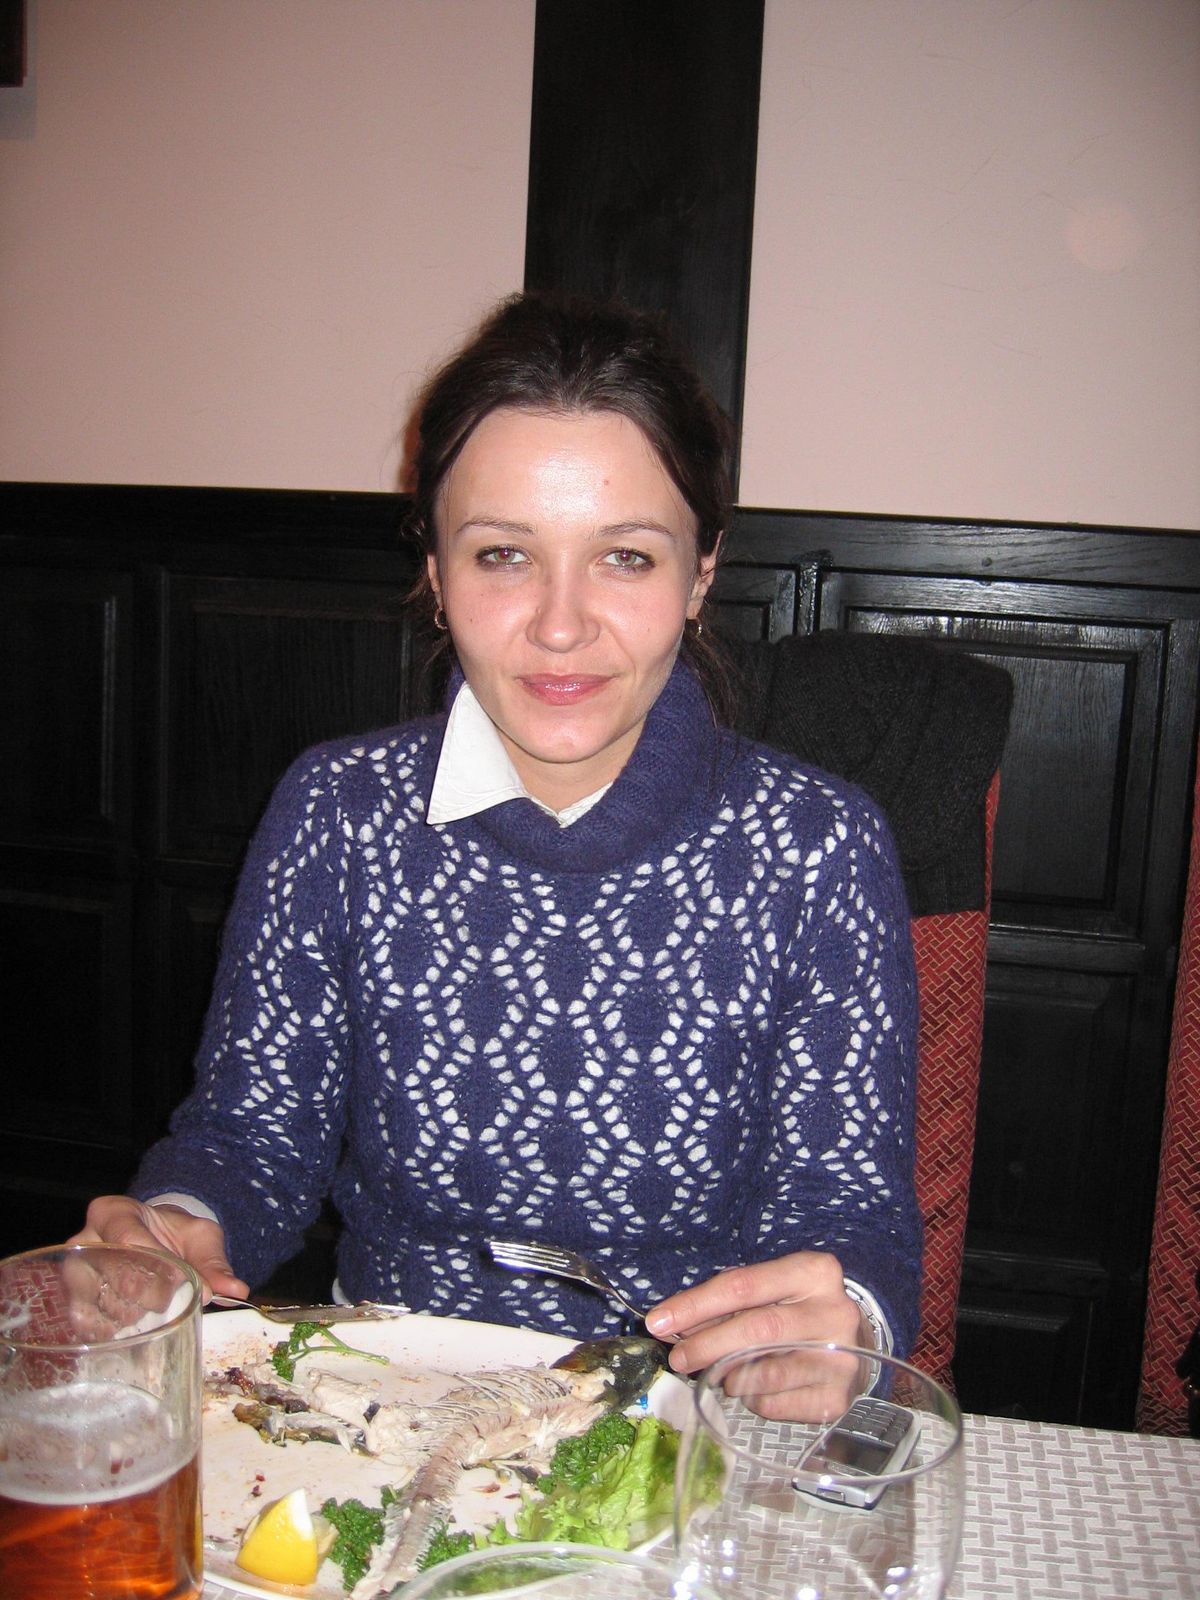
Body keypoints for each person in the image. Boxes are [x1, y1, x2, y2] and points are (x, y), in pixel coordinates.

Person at [72, 292, 922, 1381]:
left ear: (702, 574)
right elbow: (252, 1136)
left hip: (683, 1422)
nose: (561, 625)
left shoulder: (818, 846)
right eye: (504, 555)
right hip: (379, 1409)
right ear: (435, 571)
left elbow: (848, 1213)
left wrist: (844, 1322)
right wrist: (175, 1223)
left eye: (626, 557)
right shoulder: (338, 811)